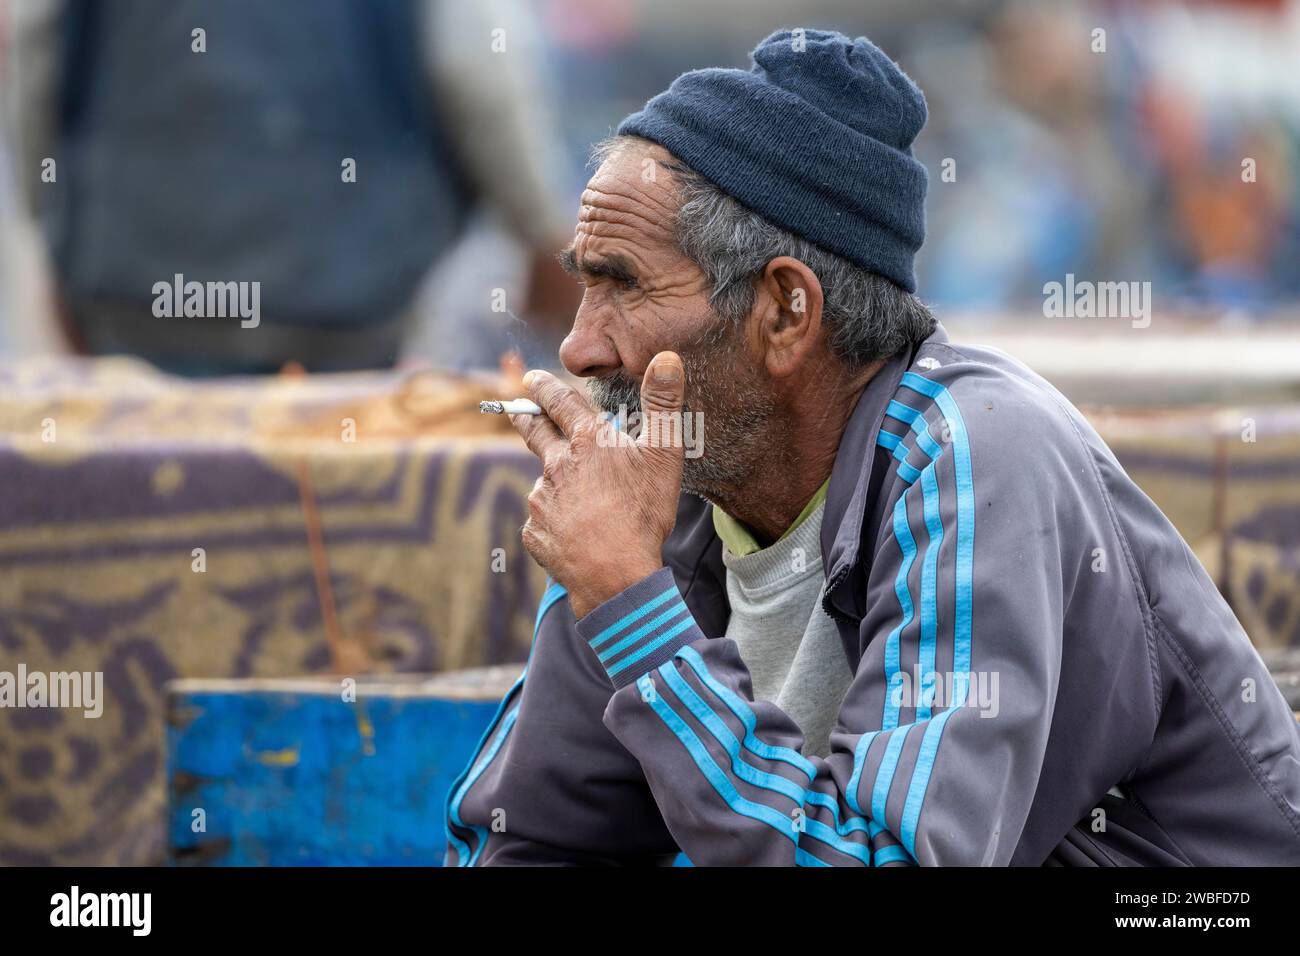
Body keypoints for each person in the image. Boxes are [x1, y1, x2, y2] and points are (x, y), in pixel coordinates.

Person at [445, 29, 1300, 866]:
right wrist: (622, 587)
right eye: (583, 285)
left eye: (622, 286)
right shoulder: (670, 482)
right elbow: (530, 836)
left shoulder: (976, 454)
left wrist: (634, 608)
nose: (578, 348)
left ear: (785, 312)